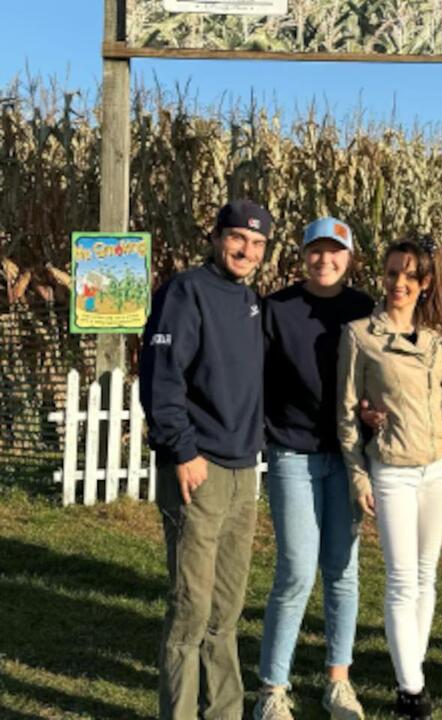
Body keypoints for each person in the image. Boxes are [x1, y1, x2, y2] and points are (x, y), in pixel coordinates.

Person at [140, 199, 271, 720]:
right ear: (217, 237)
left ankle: (223, 711)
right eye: (238, 238)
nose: (247, 250)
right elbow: (161, 376)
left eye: (258, 243)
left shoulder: (248, 300)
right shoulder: (185, 291)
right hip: (200, 469)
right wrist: (183, 450)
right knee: (191, 609)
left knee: (226, 609)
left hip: (243, 471)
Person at [253, 217, 374, 720]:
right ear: (303, 255)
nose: (325, 260)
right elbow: (252, 373)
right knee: (297, 570)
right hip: (292, 453)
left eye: (335, 252)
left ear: (349, 258)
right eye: (316, 251)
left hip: (347, 457)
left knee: (343, 570)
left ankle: (338, 681)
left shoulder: (363, 308)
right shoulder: (277, 308)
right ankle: (272, 689)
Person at [338, 236, 442, 720]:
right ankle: (411, 690)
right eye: (392, 274)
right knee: (402, 579)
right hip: (392, 469)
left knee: (427, 576)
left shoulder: (437, 338)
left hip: (439, 466)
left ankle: (414, 666)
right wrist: (358, 476)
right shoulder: (361, 334)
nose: (399, 284)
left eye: (410, 276)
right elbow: (347, 412)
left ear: (426, 283)